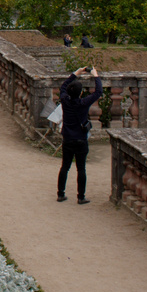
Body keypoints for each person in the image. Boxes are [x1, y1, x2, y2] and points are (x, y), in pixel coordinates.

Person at [57, 66, 103, 203]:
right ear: (81, 93)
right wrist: (96, 76)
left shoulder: (65, 100)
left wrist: (75, 73)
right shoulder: (83, 103)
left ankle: (60, 194)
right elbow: (98, 92)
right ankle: (81, 197)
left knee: (65, 166)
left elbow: (63, 87)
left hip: (68, 138)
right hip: (81, 139)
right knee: (81, 169)